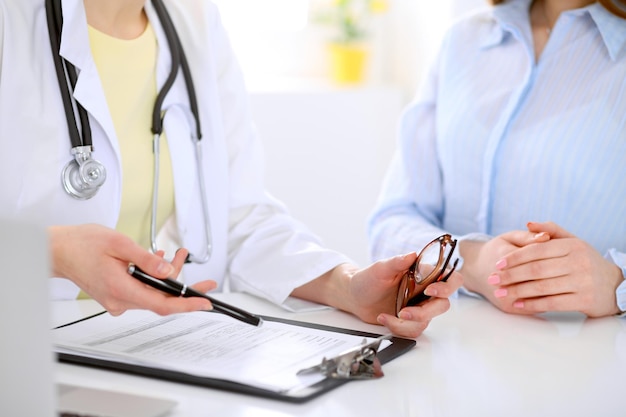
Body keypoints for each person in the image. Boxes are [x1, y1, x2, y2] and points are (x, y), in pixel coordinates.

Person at [0, 0, 462, 339]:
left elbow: (237, 216)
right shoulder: (12, 22)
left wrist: (346, 287)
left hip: (143, 350)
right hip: (21, 351)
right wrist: (52, 252)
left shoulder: (194, 23)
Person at [368, 0, 626, 318]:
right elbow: (391, 221)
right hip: (441, 348)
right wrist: (471, 262)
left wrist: (617, 283)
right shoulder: (463, 39)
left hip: (584, 356)